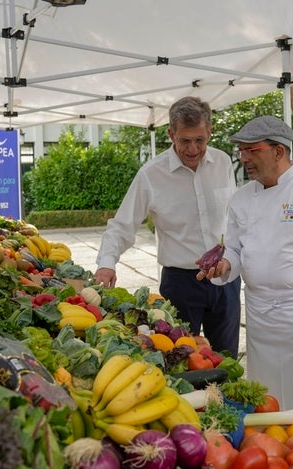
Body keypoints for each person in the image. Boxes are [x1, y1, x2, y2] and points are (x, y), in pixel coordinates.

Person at [197, 116, 293, 421]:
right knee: (265, 398)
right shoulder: (242, 199)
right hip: (259, 317)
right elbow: (233, 247)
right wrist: (224, 265)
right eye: (241, 151)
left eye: (251, 150)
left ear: (278, 151)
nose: (243, 158)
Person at [94, 96, 242, 357]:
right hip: (181, 284)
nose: (193, 149)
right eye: (185, 140)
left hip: (224, 278)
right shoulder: (151, 174)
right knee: (180, 360)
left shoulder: (223, 163)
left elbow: (235, 218)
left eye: (200, 140)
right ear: (171, 134)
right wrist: (107, 263)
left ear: (210, 132)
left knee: (226, 358)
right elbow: (122, 224)